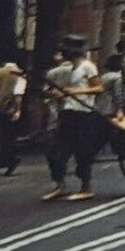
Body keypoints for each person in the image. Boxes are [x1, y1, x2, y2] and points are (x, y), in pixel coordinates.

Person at [43, 36, 103, 202]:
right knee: (55, 152)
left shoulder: (87, 66)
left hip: (83, 114)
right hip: (67, 113)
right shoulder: (69, 69)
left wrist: (74, 92)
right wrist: (58, 94)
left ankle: (86, 187)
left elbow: (98, 88)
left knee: (82, 152)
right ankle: (59, 184)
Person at [0, 58, 26, 175]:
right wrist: (18, 110)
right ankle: (11, 159)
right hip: (9, 107)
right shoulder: (19, 75)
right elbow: (18, 94)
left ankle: (3, 158)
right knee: (9, 135)